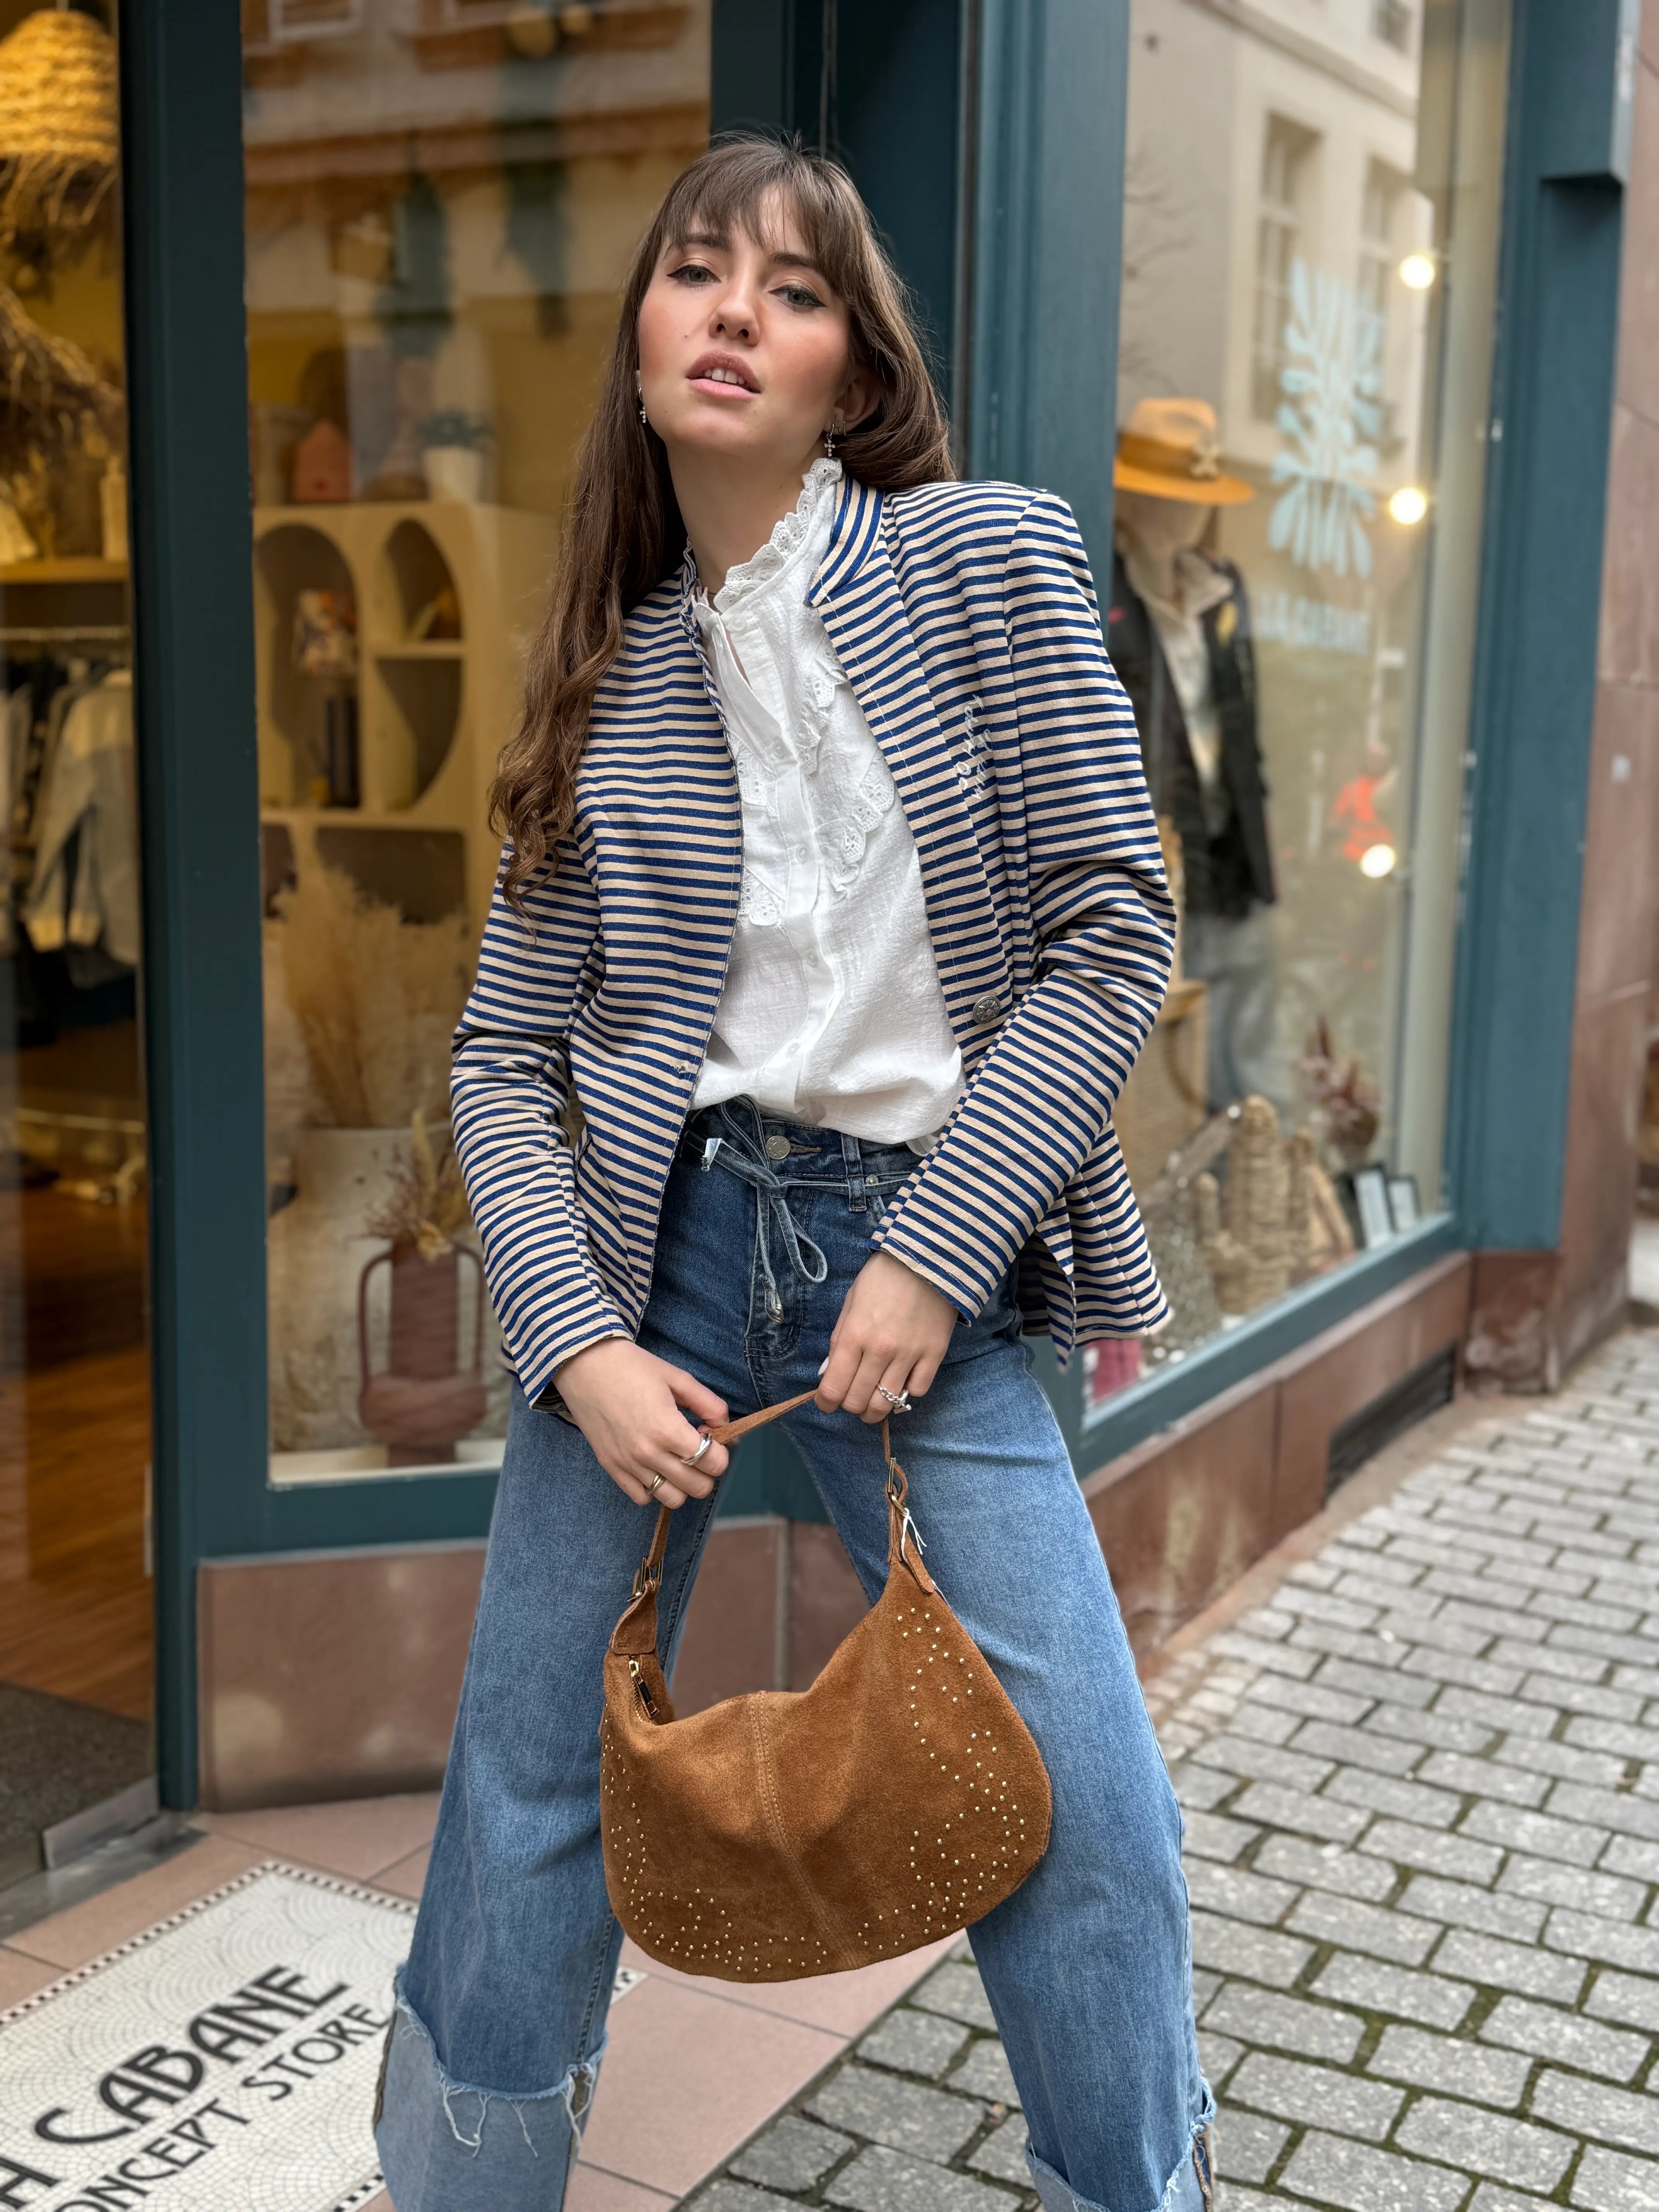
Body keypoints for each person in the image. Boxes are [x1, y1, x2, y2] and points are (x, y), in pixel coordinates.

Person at [374, 137, 1214, 2212]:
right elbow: (501, 1058)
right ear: (643, 342)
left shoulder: (981, 560)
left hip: (915, 1249)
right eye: (696, 270)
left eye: (796, 286)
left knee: (1083, 1817)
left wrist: (934, 1251)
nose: (737, 309)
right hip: (646, 1258)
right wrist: (572, 1347)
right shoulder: (606, 668)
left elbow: (1113, 927)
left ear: (854, 372)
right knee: (529, 1794)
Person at [1108, 397, 1283, 1113]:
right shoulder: (1101, 594)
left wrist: (1260, 849)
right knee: (1163, 1069)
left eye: (1188, 500)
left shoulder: (1222, 591)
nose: (1174, 515)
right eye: (1159, 497)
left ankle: (1259, 1164)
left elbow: (1242, 731)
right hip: (1153, 860)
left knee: (1253, 1053)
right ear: (1128, 500)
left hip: (1231, 858)